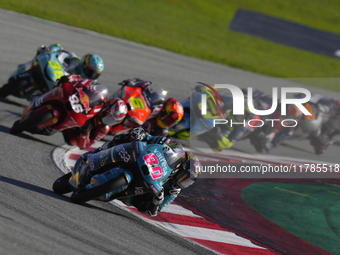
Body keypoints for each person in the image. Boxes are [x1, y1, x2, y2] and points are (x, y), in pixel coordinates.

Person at [87, 127, 201, 216]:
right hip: (145, 162)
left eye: (186, 181)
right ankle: (99, 151)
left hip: (138, 190)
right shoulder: (173, 149)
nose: (181, 181)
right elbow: (154, 139)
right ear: (180, 166)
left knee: (144, 205)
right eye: (183, 176)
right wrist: (143, 135)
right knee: (126, 138)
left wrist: (157, 201)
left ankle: (113, 190)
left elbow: (154, 212)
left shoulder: (173, 190)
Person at [61, 75, 128, 149]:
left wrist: (85, 133)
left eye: (111, 120)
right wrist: (71, 78)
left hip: (75, 128)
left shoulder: (104, 128)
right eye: (108, 115)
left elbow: (86, 145)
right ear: (106, 107)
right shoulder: (99, 98)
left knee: (72, 141)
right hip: (73, 106)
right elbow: (85, 82)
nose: (107, 121)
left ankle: (63, 128)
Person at [36, 43, 104, 80]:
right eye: (91, 72)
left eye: (96, 75)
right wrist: (50, 51)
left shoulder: (92, 83)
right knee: (55, 46)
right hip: (58, 74)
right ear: (84, 66)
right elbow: (62, 52)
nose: (92, 76)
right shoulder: (76, 62)